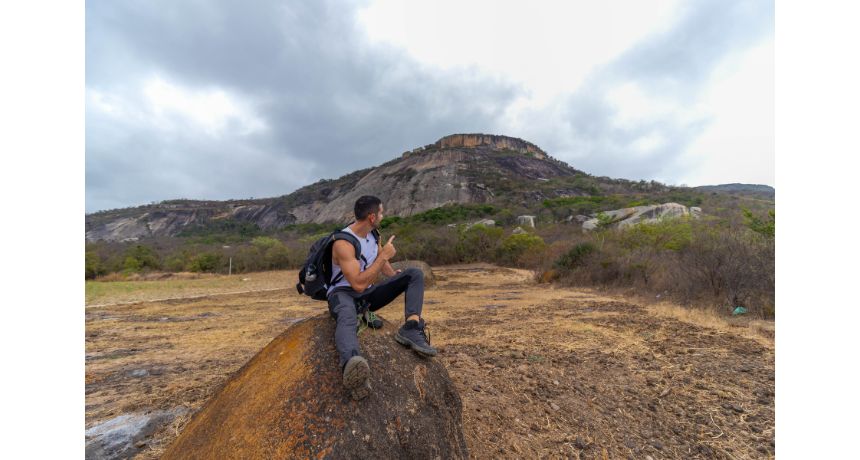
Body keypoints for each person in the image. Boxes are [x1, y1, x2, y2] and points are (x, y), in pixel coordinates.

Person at [327, 195, 436, 400]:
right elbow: (357, 283)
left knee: (414, 274)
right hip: (343, 294)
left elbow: (380, 262)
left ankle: (411, 328)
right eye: (381, 212)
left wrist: (394, 276)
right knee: (348, 317)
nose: (382, 216)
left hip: (368, 294)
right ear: (371, 216)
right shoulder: (343, 243)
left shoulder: (373, 234)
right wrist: (385, 256)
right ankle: (352, 366)